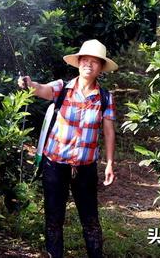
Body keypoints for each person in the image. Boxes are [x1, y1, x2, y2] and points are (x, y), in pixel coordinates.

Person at [18, 39, 117, 258]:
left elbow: (109, 131)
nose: (88, 65)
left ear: (101, 68)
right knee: (54, 218)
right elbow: (41, 89)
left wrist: (110, 163)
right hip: (55, 164)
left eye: (94, 62)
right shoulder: (62, 88)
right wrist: (29, 84)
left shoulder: (105, 97)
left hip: (85, 167)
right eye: (85, 60)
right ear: (78, 62)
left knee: (90, 219)